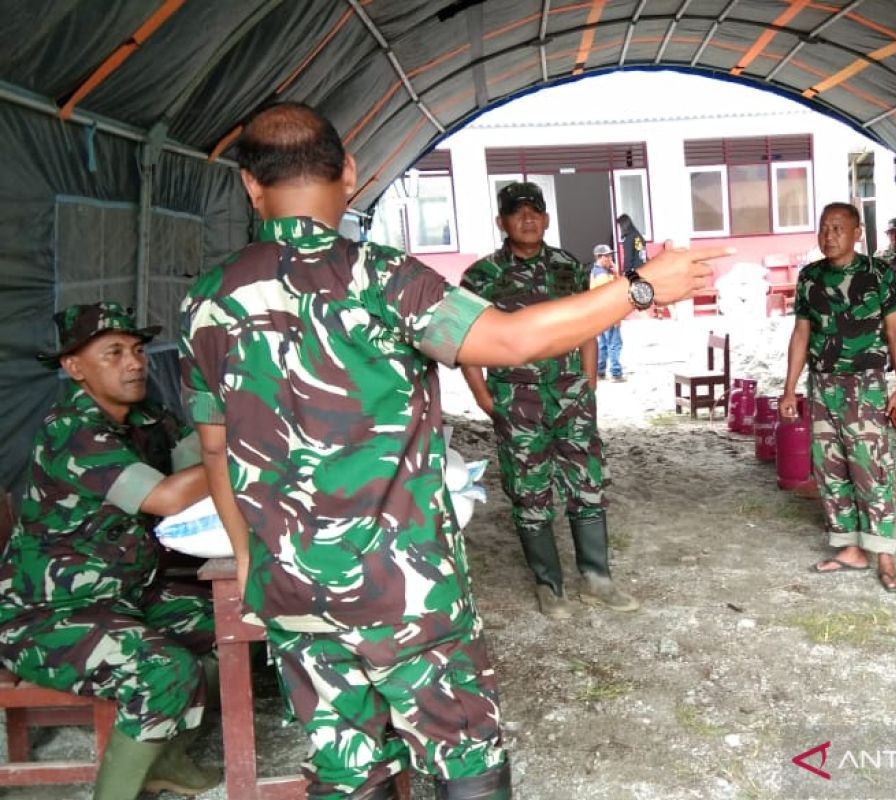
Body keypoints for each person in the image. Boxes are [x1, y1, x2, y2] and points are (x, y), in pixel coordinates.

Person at [178, 103, 726, 800]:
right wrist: (641, 288)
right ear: (349, 172)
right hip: (402, 588)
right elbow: (510, 340)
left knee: (347, 768)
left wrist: (252, 556)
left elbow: (216, 446)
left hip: (292, 588)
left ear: (250, 186)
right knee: (462, 755)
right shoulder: (381, 278)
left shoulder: (206, 299)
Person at [0, 302, 219, 800]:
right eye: (114, 352)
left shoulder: (145, 417)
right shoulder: (71, 432)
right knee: (165, 670)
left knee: (225, 626)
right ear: (73, 367)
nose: (135, 362)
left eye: (138, 350)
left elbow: (194, 455)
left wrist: (222, 444)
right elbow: (166, 496)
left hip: (122, 594)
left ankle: (167, 760)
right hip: (43, 614)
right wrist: (231, 456)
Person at [461, 184, 639, 621]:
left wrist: (589, 384)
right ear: (501, 221)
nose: (527, 219)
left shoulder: (569, 268)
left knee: (588, 485)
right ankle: (549, 585)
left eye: (534, 212)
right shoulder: (481, 276)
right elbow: (461, 339)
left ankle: (597, 578)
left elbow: (589, 325)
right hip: (516, 401)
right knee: (529, 491)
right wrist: (485, 397)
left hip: (571, 396)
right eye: (516, 213)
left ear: (546, 218)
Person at [779, 203, 896, 593]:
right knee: (829, 467)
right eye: (823, 228)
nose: (829, 235)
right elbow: (801, 335)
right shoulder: (810, 277)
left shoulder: (879, 274)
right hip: (823, 385)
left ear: (857, 233)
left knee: (871, 468)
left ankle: (885, 554)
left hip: (866, 385)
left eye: (838, 228)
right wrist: (789, 388)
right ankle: (849, 547)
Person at [590, 243, 624, 382]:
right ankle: (616, 373)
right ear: (600, 257)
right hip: (608, 314)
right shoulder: (602, 275)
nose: (610, 258)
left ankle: (600, 371)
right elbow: (610, 296)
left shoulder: (596, 271)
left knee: (603, 344)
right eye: (608, 256)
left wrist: (615, 273)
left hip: (599, 315)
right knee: (614, 343)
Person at [616, 213, 648, 278]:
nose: (620, 229)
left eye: (620, 226)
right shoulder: (637, 235)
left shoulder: (629, 238)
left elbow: (628, 257)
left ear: (624, 225)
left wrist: (625, 272)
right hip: (644, 269)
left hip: (634, 273)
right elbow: (640, 253)